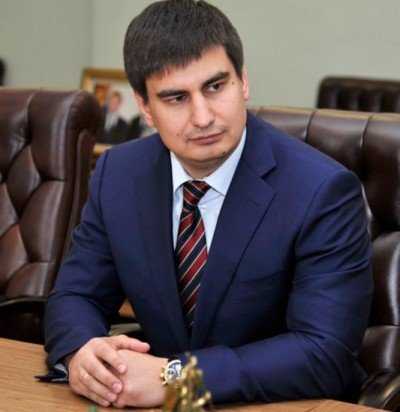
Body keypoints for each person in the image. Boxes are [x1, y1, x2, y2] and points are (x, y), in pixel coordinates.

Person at [44, 0, 373, 408]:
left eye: (216, 87)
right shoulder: (119, 174)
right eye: (176, 98)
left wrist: (177, 379)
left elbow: (324, 353)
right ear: (145, 107)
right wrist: (82, 353)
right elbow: (76, 296)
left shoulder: (322, 191)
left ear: (243, 82)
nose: (203, 117)